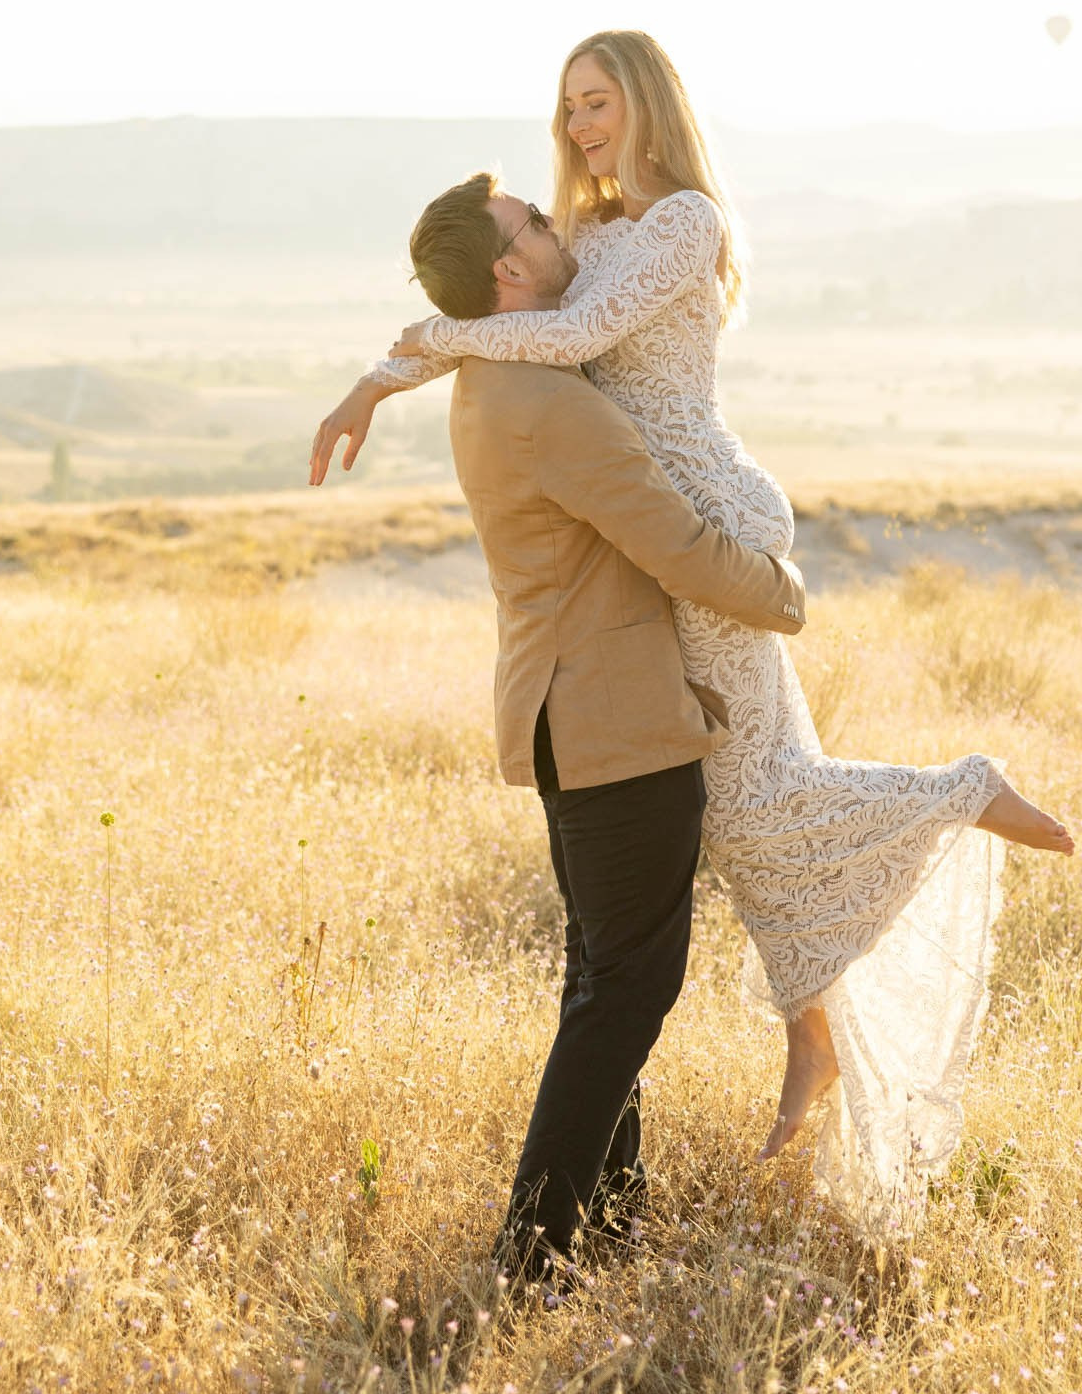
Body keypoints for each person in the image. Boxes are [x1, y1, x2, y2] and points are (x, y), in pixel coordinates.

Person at [312, 31, 1074, 1235]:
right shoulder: (594, 239)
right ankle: (811, 1034)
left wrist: (395, 364)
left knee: (759, 798)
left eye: (598, 101)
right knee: (735, 800)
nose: (576, 128)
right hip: (653, 529)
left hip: (702, 518)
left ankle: (963, 789)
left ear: (651, 101)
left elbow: (555, 339)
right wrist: (392, 361)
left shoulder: (679, 227)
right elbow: (517, 313)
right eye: (565, 108)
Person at [346, 166, 810, 1287]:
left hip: (573, 718)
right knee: (626, 993)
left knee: (603, 981)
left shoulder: (502, 380)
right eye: (537, 225)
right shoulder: (546, 401)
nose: (560, 232)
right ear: (510, 271)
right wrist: (785, 597)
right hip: (614, 724)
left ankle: (604, 1231)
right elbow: (677, 545)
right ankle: (534, 1255)